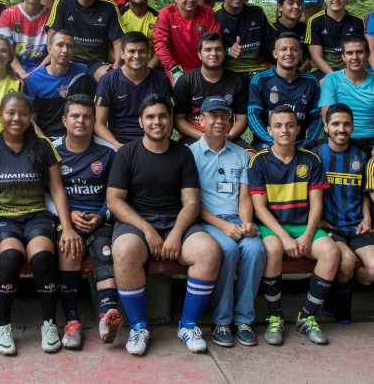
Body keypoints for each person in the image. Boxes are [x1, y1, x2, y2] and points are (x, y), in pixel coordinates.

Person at [107, 94, 221, 355]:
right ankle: (138, 327)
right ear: (140, 121)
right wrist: (147, 230)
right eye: (150, 117)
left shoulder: (183, 154)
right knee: (124, 251)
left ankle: (188, 325)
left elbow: (191, 202)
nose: (157, 122)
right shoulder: (126, 153)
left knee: (209, 251)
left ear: (170, 121)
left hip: (175, 222)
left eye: (162, 116)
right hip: (136, 223)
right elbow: (114, 201)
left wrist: (176, 234)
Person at [0, 92, 82, 356]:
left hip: (36, 215)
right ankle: (2, 326)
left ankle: (49, 324)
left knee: (43, 258)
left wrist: (67, 228)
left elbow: (57, 190)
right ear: (0, 115)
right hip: (3, 218)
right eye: (10, 113)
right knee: (9, 258)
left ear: (30, 116)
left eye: (22, 113)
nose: (16, 118)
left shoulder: (42, 146)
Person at [249, 105, 340, 346]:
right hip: (273, 226)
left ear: (298, 128)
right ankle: (274, 317)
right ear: (269, 130)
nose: (285, 130)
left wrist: (308, 235)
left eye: (290, 125)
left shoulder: (311, 160)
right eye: (278, 125)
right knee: (273, 249)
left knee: (331, 252)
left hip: (302, 225)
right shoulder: (259, 161)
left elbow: (316, 204)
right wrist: (285, 238)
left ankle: (307, 316)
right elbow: (259, 208)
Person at [190, 96, 266, 347]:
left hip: (236, 219)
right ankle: (221, 321)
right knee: (229, 249)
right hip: (208, 222)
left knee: (254, 248)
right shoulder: (191, 155)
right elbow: (193, 203)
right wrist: (223, 226)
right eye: (213, 116)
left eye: (224, 116)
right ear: (201, 120)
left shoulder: (240, 154)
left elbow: (244, 196)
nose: (219, 121)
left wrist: (246, 223)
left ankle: (244, 319)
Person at [51, 95, 121, 349]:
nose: (81, 120)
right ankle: (72, 322)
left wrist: (102, 215)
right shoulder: (53, 151)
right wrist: (66, 215)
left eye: (86, 116)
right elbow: (48, 193)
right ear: (64, 120)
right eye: (75, 116)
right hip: (67, 220)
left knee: (105, 252)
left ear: (94, 120)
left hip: (99, 219)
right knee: (70, 249)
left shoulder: (107, 152)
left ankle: (107, 314)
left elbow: (115, 195)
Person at [315, 104, 374, 322]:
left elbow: (366, 191)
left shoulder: (362, 154)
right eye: (336, 124)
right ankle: (341, 310)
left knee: (372, 270)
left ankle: (334, 293)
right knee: (346, 261)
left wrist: (367, 216)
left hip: (358, 225)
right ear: (326, 126)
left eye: (346, 124)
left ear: (353, 126)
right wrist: (317, 219)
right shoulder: (315, 154)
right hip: (330, 227)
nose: (341, 129)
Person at [46, 0, 124, 80]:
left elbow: (117, 40)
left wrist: (117, 64)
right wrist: (53, 59)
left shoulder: (109, 6)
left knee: (108, 77)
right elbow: (52, 34)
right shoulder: (63, 1)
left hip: (97, 63)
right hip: (68, 59)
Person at [95, 32, 172, 149]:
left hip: (153, 141)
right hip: (118, 143)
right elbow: (98, 124)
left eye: (141, 51)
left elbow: (169, 119)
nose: (136, 56)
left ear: (148, 54)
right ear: (122, 54)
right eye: (131, 51)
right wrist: (117, 145)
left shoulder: (161, 80)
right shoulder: (108, 80)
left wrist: (158, 143)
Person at [173, 32, 248, 147]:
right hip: (195, 136)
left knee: (251, 157)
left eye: (218, 49)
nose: (213, 53)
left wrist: (229, 136)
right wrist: (202, 137)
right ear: (199, 54)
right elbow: (178, 119)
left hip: (227, 136)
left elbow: (241, 118)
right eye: (208, 50)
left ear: (224, 53)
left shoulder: (236, 81)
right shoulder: (185, 82)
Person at [248, 33, 321, 149]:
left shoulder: (311, 81)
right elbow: (253, 115)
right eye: (283, 49)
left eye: (294, 49)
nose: (289, 53)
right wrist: (273, 142)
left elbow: (317, 117)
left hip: (301, 144)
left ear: (300, 54)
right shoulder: (261, 79)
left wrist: (309, 141)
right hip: (267, 143)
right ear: (275, 54)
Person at [24, 30, 96, 139]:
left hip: (78, 136)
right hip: (48, 138)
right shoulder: (33, 80)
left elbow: (93, 106)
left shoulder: (83, 72)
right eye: (60, 45)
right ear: (49, 48)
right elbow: (31, 119)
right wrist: (45, 142)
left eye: (69, 46)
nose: (65, 50)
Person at [154, 0, 221, 84]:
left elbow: (215, 41)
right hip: (176, 69)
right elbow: (160, 44)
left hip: (204, 68)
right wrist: (174, 69)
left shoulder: (207, 12)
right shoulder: (166, 14)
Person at [215, 0, 275, 89]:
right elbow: (207, 49)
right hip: (229, 70)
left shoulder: (257, 12)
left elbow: (271, 41)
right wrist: (228, 51)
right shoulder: (214, 15)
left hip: (259, 68)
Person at [319, 35, 374, 155]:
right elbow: (327, 117)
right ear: (343, 57)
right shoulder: (332, 79)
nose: (355, 57)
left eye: (359, 52)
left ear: (368, 54)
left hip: (371, 141)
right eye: (350, 53)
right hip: (342, 139)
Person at [305, 0, 364, 77]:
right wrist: (336, 78)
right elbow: (316, 57)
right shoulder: (315, 21)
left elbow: (363, 54)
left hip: (351, 70)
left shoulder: (358, 22)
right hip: (323, 71)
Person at [0, 0, 49, 80]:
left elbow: (53, 50)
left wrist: (36, 72)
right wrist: (22, 73)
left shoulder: (52, 15)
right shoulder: (7, 14)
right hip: (13, 66)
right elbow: (6, 48)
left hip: (42, 68)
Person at [118, 0, 159, 67]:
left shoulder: (158, 18)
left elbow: (161, 48)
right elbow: (110, 46)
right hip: (123, 66)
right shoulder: (117, 15)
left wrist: (148, 69)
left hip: (150, 66)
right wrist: (125, 67)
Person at [273, 0, 310, 71]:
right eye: (291, 3)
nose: (296, 7)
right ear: (280, 7)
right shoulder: (270, 28)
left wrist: (301, 70)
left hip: (301, 73)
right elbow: (263, 58)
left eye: (299, 3)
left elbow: (310, 56)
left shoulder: (307, 29)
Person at [0, 34, 22, 136]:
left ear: (10, 56)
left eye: (3, 51)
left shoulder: (18, 84)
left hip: (7, 140)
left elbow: (26, 118)